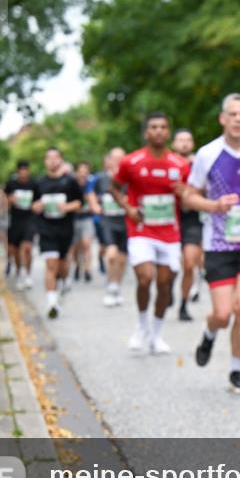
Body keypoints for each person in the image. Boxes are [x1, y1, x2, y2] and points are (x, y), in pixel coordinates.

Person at [183, 94, 240, 394]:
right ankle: (209, 333)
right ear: (222, 118)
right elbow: (188, 196)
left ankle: (236, 370)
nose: (238, 119)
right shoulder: (207, 154)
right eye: (233, 114)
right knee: (222, 314)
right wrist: (214, 206)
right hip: (218, 245)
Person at [110, 112, 189, 354]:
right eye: (153, 127)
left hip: (169, 233)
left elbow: (189, 198)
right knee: (145, 278)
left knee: (165, 285)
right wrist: (128, 208)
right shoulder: (131, 162)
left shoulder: (180, 165)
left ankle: (156, 333)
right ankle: (141, 326)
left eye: (163, 127)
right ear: (146, 132)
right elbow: (114, 187)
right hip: (141, 230)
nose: (158, 131)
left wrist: (184, 191)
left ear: (168, 133)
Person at [31, 148, 84, 319]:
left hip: (65, 229)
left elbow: (79, 203)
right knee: (51, 265)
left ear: (61, 160)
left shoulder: (70, 182)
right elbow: (32, 205)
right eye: (49, 158)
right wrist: (37, 206)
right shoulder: (39, 183)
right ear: (45, 161)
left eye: (56, 158)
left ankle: (64, 282)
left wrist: (67, 207)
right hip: (46, 229)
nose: (53, 161)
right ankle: (51, 302)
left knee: (62, 266)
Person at [88, 147, 129, 307]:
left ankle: (116, 286)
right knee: (111, 254)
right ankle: (110, 286)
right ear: (109, 160)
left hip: (125, 221)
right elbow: (90, 192)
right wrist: (94, 205)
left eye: (121, 158)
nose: (118, 161)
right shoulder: (101, 178)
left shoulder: (129, 178)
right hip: (107, 221)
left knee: (122, 258)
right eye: (115, 158)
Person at [172, 128, 204, 321]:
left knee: (189, 263)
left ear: (192, 144)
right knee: (167, 268)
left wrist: (186, 192)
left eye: (188, 139)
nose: (184, 143)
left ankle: (183, 304)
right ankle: (166, 289)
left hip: (192, 219)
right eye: (180, 139)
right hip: (168, 219)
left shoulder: (200, 164)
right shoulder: (166, 163)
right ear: (174, 143)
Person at [4, 160, 36, 289]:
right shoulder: (11, 184)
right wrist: (9, 200)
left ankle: (28, 274)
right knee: (15, 250)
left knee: (27, 247)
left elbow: (39, 201)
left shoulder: (34, 184)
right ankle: (19, 272)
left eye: (25, 171)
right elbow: (3, 201)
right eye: (21, 171)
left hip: (30, 220)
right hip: (15, 220)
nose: (23, 173)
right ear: (17, 172)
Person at [70, 160, 96, 283]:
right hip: (74, 218)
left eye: (86, 172)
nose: (83, 174)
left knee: (86, 244)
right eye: (81, 172)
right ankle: (77, 265)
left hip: (87, 218)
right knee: (76, 247)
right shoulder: (72, 184)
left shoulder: (91, 184)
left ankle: (87, 269)